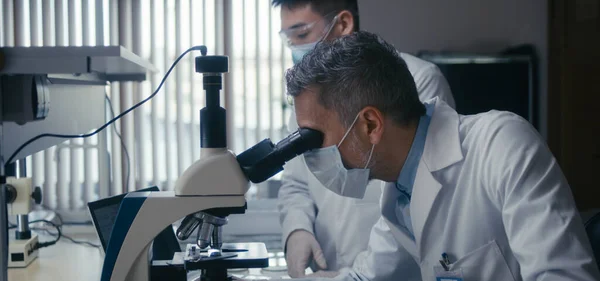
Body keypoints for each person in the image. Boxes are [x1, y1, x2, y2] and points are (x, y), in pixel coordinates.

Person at [280, 31, 600, 281]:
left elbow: (563, 275)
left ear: (370, 125)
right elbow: (368, 274)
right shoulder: (399, 191)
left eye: (314, 137)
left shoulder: (503, 146)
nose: (311, 153)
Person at [273, 0, 455, 278]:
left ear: (343, 24)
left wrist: (358, 276)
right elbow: (297, 182)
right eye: (289, 40)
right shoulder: (306, 101)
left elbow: (417, 196)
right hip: (330, 264)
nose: (296, 49)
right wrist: (297, 231)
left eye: (301, 35)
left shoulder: (415, 80)